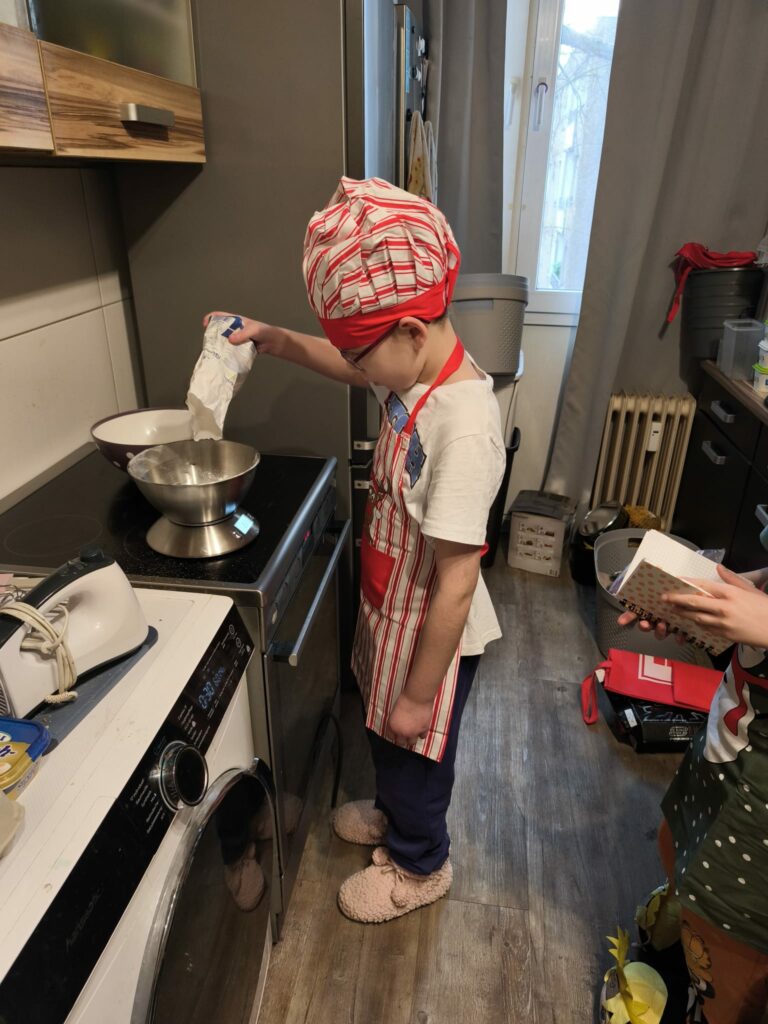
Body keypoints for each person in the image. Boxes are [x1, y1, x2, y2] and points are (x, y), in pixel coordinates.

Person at [206, 177, 505, 923]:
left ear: (409, 331)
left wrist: (419, 696)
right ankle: (394, 813)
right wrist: (274, 339)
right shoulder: (412, 372)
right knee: (385, 737)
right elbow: (351, 362)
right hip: (393, 611)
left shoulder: (463, 429)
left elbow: (457, 585)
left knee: (416, 751)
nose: (356, 370)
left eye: (361, 355)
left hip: (432, 635)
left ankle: (419, 862)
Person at [618, 562, 768, 1023]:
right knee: (678, 846)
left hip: (756, 834)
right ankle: (677, 941)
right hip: (727, 749)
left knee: (727, 973)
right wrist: (712, 597)